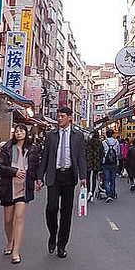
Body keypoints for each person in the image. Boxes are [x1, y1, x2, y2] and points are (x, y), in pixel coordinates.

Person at [37, 106, 86, 258]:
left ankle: (61, 244)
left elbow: (81, 158)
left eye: (62, 116)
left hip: (69, 176)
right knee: (51, 208)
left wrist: (83, 176)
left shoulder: (78, 135)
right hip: (54, 175)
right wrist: (39, 177)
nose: (59, 119)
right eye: (58, 116)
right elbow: (45, 157)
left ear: (69, 117)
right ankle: (53, 233)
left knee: (66, 212)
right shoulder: (50, 135)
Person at [0, 124, 38, 265]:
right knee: (8, 220)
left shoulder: (32, 149)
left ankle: (16, 252)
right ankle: (10, 241)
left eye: (22, 131)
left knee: (19, 218)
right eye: (17, 131)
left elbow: (35, 167)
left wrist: (38, 180)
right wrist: (14, 171)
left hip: (24, 188)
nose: (19, 133)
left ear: (26, 133)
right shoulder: (7, 148)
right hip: (8, 186)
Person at [100, 128, 120, 202]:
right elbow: (118, 153)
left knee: (106, 179)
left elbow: (102, 153)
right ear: (113, 134)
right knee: (113, 179)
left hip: (106, 163)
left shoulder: (104, 142)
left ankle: (108, 194)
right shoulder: (116, 142)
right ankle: (112, 193)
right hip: (114, 163)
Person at [85, 131, 103, 201]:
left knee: (88, 178)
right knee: (94, 178)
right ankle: (92, 192)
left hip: (88, 162)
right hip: (96, 162)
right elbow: (102, 153)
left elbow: (85, 151)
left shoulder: (88, 142)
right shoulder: (99, 143)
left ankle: (88, 191)